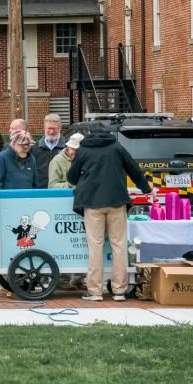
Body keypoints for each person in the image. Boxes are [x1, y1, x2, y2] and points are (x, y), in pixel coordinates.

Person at [68, 129, 151, 301]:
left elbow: (72, 178)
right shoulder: (117, 147)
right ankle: (119, 290)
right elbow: (134, 169)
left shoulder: (83, 150)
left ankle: (95, 291)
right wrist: (146, 188)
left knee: (95, 246)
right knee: (119, 245)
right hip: (117, 201)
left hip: (92, 203)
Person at [31, 113, 64, 188]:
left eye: (54, 128)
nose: (51, 132)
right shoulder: (34, 148)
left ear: (60, 128)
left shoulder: (66, 148)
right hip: (40, 191)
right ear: (44, 128)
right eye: (49, 128)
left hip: (60, 191)